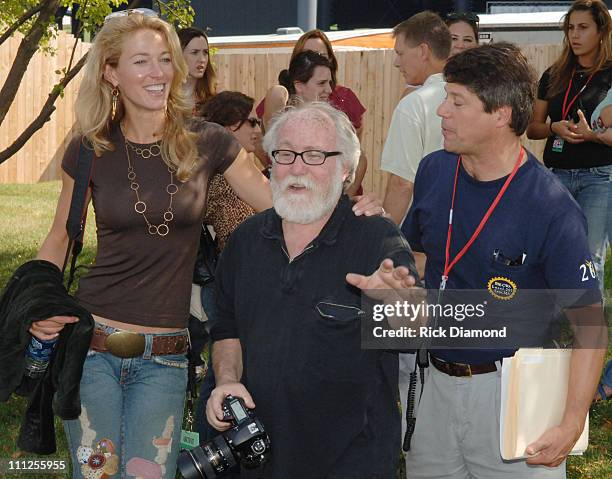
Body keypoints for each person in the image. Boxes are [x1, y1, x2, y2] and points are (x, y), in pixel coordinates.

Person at [29, 11, 272, 478]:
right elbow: (61, 235)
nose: (158, 73)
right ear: (111, 72)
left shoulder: (209, 141)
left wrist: (348, 213)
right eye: (141, 61)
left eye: (165, 60)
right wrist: (38, 306)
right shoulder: (89, 147)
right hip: (92, 349)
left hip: (165, 358)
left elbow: (278, 205)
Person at [402, 42, 606, 478]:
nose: (442, 112)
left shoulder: (550, 206)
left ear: (499, 115)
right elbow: (420, 257)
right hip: (434, 386)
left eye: (456, 101)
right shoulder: (434, 171)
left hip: (513, 397)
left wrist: (571, 423)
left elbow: (591, 324)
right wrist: (396, 276)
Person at [206, 102, 420, 478]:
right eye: (285, 153)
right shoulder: (246, 241)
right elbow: (227, 328)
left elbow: (415, 330)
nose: (297, 167)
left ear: (346, 169)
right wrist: (227, 380)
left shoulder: (376, 238)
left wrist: (393, 306)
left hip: (348, 461)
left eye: (315, 155)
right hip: (256, 460)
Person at [526, 0, 612, 290]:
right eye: (571, 28)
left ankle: (590, 333)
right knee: (552, 253)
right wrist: (554, 127)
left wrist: (593, 136)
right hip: (556, 176)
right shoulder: (553, 74)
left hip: (600, 177)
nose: (574, 35)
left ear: (602, 31)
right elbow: (532, 128)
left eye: (583, 27)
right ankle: (552, 324)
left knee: (589, 258)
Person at [257, 29, 368, 196]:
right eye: (322, 83)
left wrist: (341, 204)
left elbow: (359, 159)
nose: (328, 90)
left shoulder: (341, 106)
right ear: (299, 85)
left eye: (320, 54)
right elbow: (260, 140)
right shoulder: (280, 102)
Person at [381, 11, 451, 226]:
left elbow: (402, 184)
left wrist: (383, 238)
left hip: (423, 232)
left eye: (400, 53)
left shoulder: (413, 105)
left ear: (423, 51)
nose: (395, 62)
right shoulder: (477, 97)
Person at [178, 26, 216, 111]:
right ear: (178, 55)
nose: (202, 59)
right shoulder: (164, 98)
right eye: (194, 52)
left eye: (205, 52)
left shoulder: (215, 99)